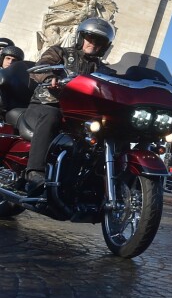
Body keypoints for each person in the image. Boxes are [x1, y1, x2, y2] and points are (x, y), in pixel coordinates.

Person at [23, 17, 115, 195]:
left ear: (105, 46)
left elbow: (116, 81)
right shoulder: (60, 52)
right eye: (90, 38)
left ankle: (95, 183)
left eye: (99, 41)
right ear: (81, 38)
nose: (93, 44)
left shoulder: (103, 69)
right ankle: (35, 173)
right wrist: (50, 77)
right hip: (46, 105)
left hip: (78, 114)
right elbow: (42, 65)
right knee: (52, 116)